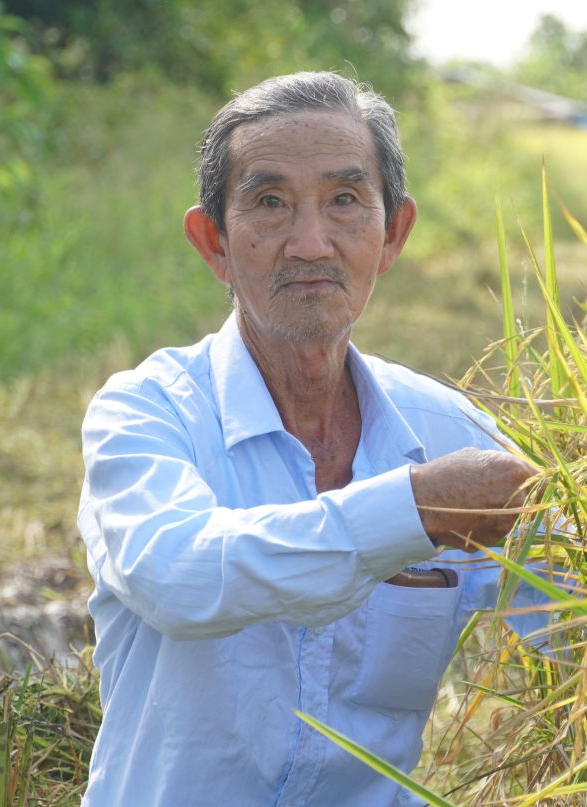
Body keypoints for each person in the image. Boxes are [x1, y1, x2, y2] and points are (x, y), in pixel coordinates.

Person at [77, 71, 548, 806]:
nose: (309, 243)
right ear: (214, 244)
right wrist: (410, 513)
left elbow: (583, 619)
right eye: (269, 203)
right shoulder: (146, 415)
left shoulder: (448, 432)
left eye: (344, 201)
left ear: (392, 234)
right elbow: (181, 573)